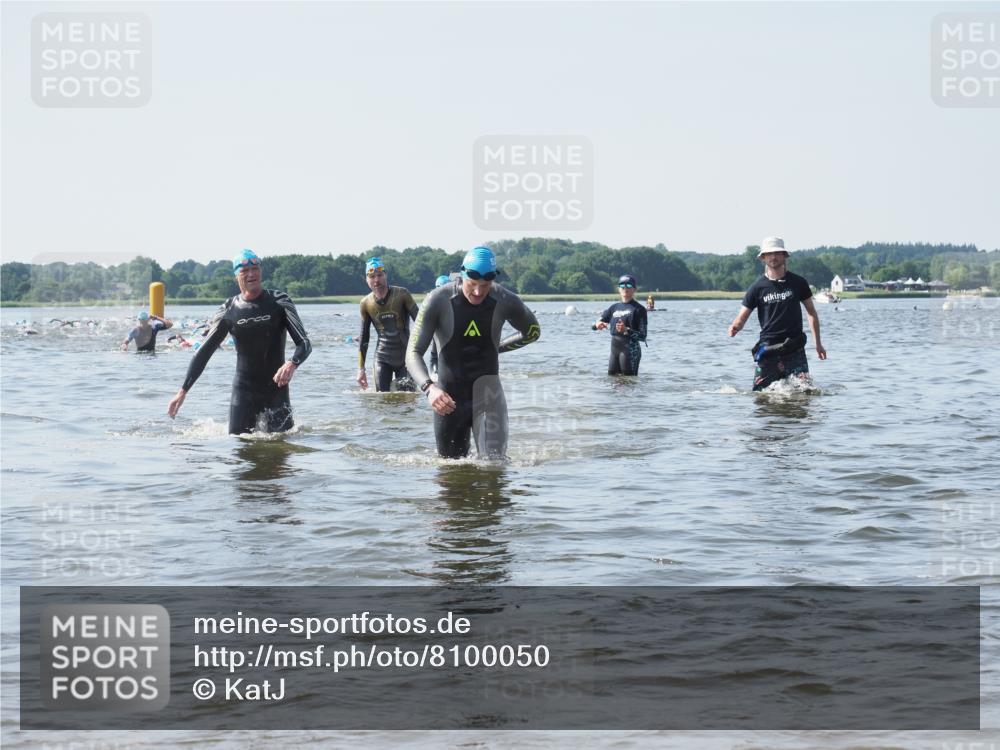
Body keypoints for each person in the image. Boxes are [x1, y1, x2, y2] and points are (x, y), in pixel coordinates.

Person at [405, 246, 541, 459]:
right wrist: (429, 388)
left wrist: (498, 348)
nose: (478, 292)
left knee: (493, 469)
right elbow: (412, 353)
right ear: (462, 275)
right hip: (448, 400)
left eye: (485, 286)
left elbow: (533, 332)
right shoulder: (438, 300)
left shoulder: (505, 300)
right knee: (450, 479)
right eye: (472, 284)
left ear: (493, 280)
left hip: (489, 398)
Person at [166, 249, 312, 434]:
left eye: (255, 268)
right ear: (236, 276)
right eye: (245, 271)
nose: (251, 274)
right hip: (244, 391)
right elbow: (204, 352)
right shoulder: (228, 310)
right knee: (239, 448)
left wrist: (292, 363)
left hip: (277, 390)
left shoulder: (280, 302)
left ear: (261, 271)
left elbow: (304, 343)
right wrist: (182, 391)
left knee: (280, 451)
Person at [727, 236, 827, 391]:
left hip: (794, 346)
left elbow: (811, 313)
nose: (773, 257)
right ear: (763, 258)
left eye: (777, 253)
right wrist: (735, 327)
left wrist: (818, 344)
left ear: (784, 255)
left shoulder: (798, 283)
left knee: (806, 391)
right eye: (769, 254)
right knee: (760, 395)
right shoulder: (757, 288)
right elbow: (742, 317)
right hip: (768, 348)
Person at [356, 257, 419, 392]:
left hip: (406, 358)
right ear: (366, 279)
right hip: (382, 358)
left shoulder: (402, 294)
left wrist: (418, 354)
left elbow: (422, 323)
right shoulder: (365, 303)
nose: (376, 280)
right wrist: (361, 369)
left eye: (379, 275)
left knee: (408, 401)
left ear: (386, 275)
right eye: (372, 276)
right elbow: (364, 338)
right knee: (382, 400)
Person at [593, 274, 648, 376]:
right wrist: (597, 324)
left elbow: (643, 336)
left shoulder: (639, 309)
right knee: (612, 380)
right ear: (619, 289)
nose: (625, 288)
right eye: (622, 286)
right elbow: (596, 324)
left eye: (628, 285)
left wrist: (626, 330)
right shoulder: (613, 307)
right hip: (614, 350)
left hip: (630, 350)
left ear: (634, 289)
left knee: (629, 383)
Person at [429, 274, 452, 377]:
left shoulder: (457, 301)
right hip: (438, 334)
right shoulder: (432, 302)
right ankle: (435, 374)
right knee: (435, 354)